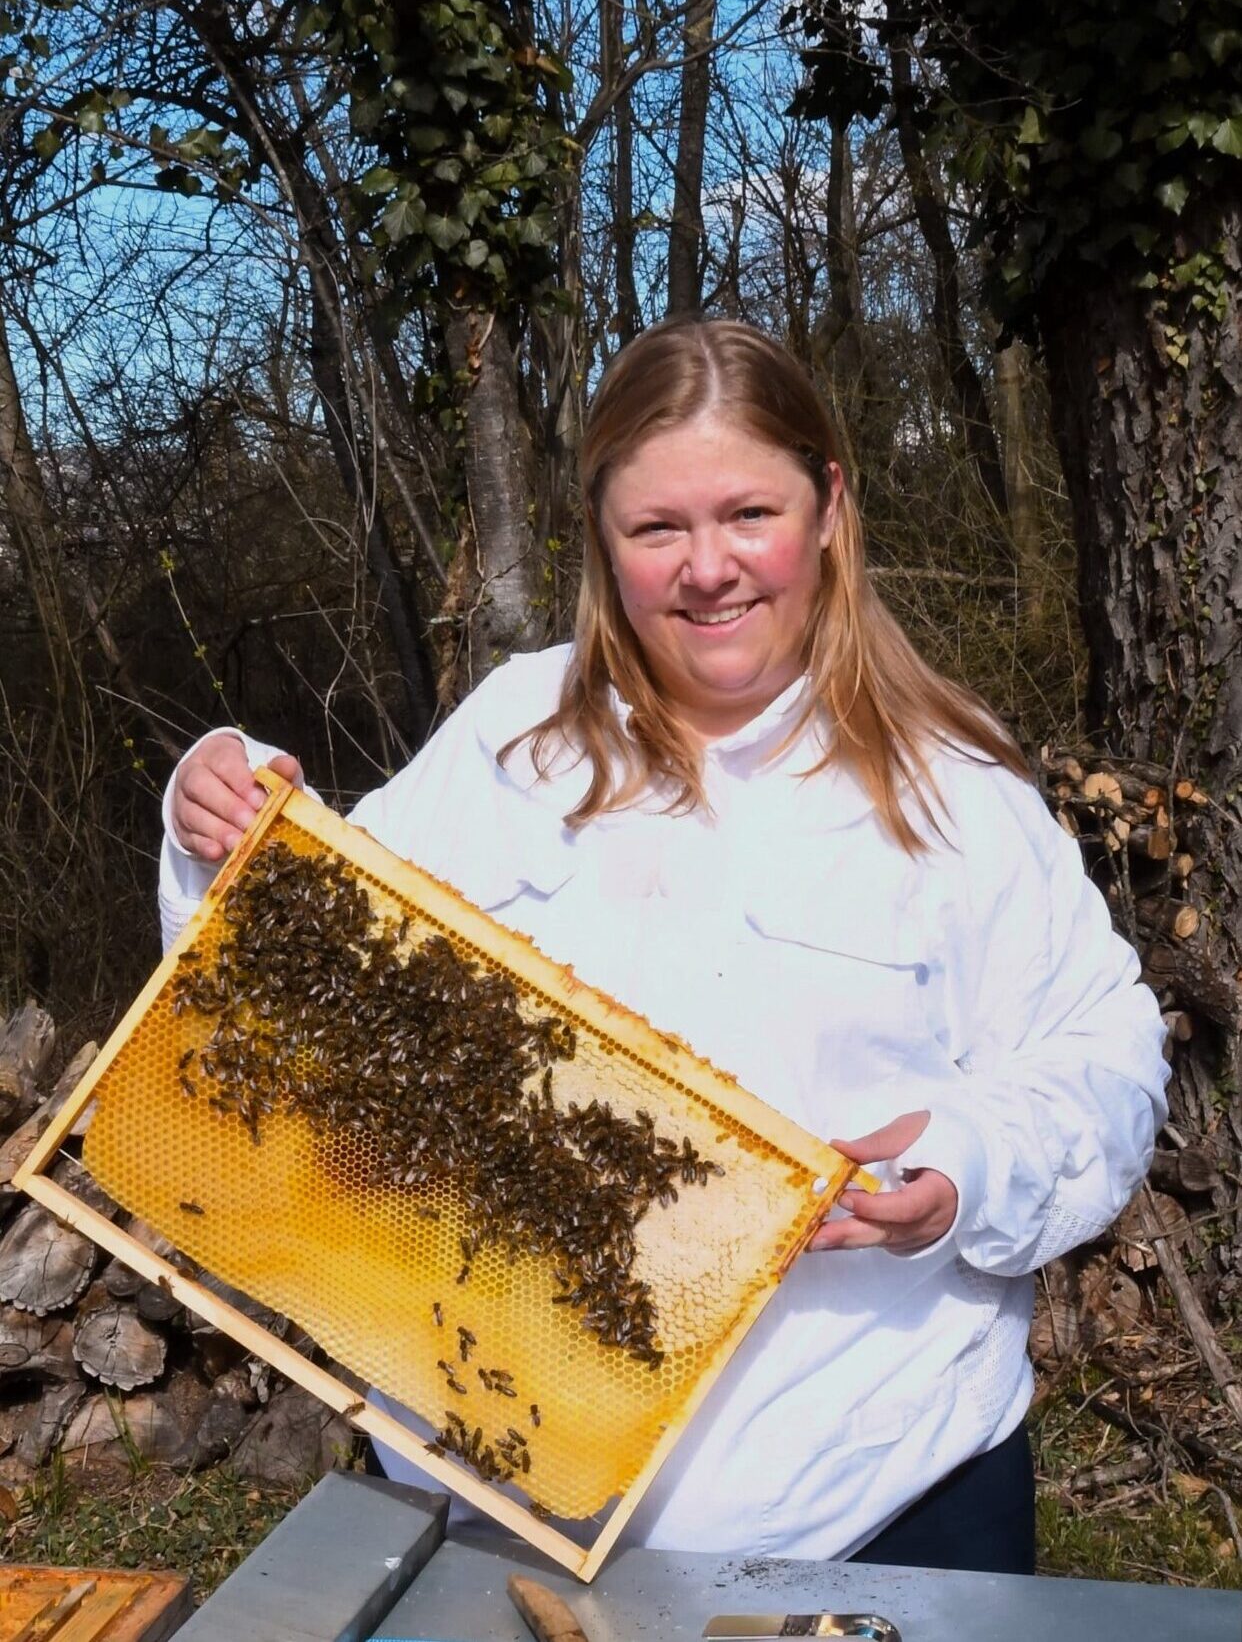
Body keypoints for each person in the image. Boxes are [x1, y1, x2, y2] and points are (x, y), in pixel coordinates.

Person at [159, 318, 1168, 1574]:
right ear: (602, 537)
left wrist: (970, 1161)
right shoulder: (511, 735)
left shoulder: (951, 785)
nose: (708, 568)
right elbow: (293, 992)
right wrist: (220, 821)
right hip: (498, 1497)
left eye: (749, 513)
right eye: (657, 528)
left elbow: (1105, 1057)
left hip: (877, 1504)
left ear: (828, 506)